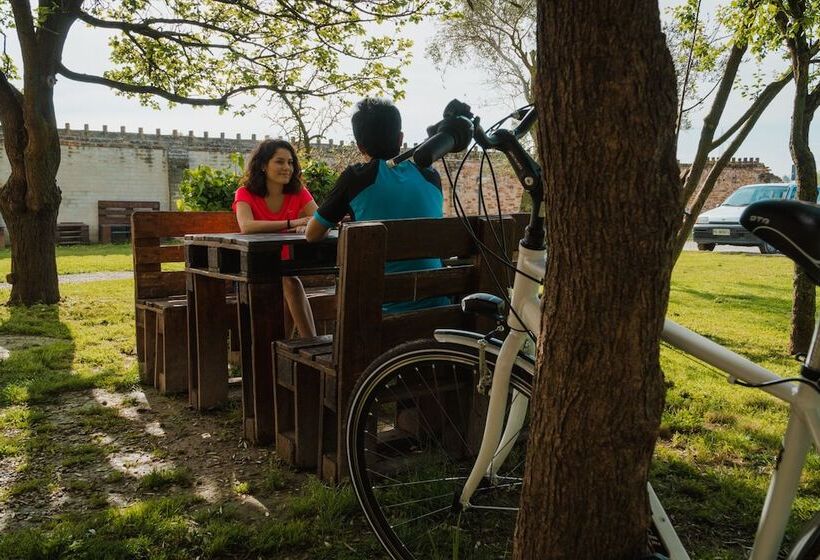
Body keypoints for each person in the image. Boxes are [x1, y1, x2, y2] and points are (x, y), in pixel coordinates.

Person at [305, 97, 449, 313]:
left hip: (379, 312)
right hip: (437, 305)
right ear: (401, 138)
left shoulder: (356, 178)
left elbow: (312, 234)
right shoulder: (431, 176)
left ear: (359, 145)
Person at [233, 139, 317, 336]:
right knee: (289, 282)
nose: (287, 167)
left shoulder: (298, 191)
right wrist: (292, 223)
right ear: (263, 165)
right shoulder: (244, 193)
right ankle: (310, 343)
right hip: (253, 269)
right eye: (280, 162)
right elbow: (246, 226)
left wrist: (307, 224)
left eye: (290, 162)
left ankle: (290, 351)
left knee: (289, 281)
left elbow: (317, 219)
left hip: (286, 267)